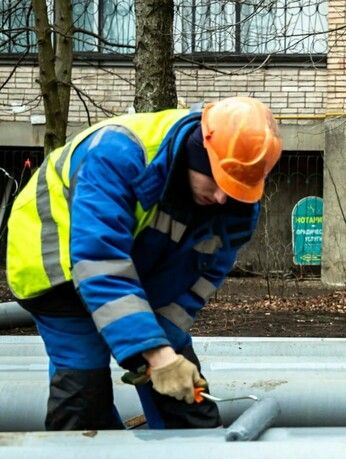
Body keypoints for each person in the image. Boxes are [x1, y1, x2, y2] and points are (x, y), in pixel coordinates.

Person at [5, 97, 282, 430]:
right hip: (54, 262)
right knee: (83, 388)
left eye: (235, 188)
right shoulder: (119, 153)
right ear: (198, 153)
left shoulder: (235, 209)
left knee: (185, 395)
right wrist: (155, 354)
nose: (223, 197)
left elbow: (196, 285)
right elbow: (100, 261)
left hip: (131, 266)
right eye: (216, 180)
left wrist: (164, 350)